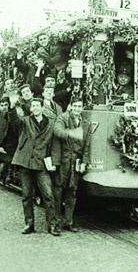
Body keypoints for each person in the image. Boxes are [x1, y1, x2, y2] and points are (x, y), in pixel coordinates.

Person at [8, 94, 59, 236]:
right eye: (33, 106)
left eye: (38, 106)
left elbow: (54, 145)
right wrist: (12, 107)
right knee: (26, 195)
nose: (35, 108)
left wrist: (54, 162)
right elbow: (14, 121)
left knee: (48, 195)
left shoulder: (51, 124)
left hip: (42, 163)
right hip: (26, 162)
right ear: (30, 109)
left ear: (43, 108)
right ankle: (29, 224)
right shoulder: (24, 122)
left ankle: (52, 225)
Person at [51, 97, 91, 232]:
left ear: (82, 108)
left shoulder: (86, 124)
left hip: (76, 162)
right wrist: (72, 133)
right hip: (63, 161)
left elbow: (87, 146)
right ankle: (55, 223)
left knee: (72, 192)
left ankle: (68, 221)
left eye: (80, 106)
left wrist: (85, 162)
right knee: (57, 192)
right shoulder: (62, 118)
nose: (77, 109)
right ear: (70, 106)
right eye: (75, 106)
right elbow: (57, 131)